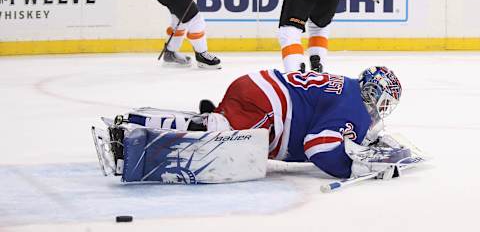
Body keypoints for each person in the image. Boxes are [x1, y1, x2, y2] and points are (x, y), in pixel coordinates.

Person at [100, 66, 404, 179]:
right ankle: (131, 139)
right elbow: (318, 147)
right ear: (374, 94)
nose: (382, 111)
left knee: (213, 126)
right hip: (267, 104)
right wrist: (354, 168)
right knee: (214, 137)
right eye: (384, 103)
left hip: (259, 89)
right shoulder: (356, 108)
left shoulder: (348, 88)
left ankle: (138, 120)